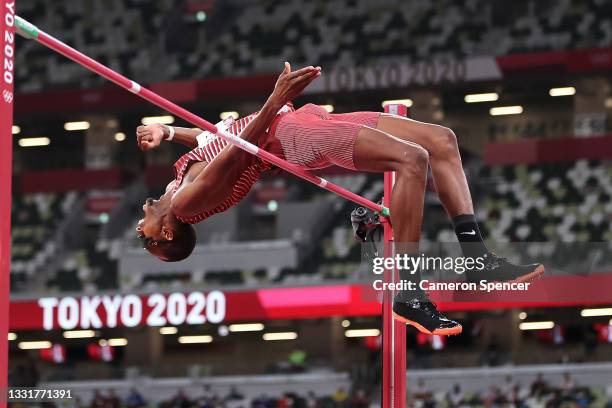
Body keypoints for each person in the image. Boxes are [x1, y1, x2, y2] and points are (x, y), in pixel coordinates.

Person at [135, 63, 544, 335]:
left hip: (301, 118)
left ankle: (477, 258)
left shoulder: (177, 185)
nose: (140, 225)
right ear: (168, 233)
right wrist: (272, 102)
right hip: (288, 136)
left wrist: (169, 132)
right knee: (411, 159)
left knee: (441, 141)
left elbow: (215, 136)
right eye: (146, 237)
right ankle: (409, 291)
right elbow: (240, 148)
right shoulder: (189, 205)